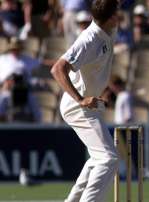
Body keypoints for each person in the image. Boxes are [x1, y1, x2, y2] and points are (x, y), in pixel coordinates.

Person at [50, 0, 120, 201]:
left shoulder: (107, 27)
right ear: (113, 17)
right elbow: (57, 68)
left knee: (98, 158)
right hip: (78, 106)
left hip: (89, 105)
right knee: (109, 159)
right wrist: (80, 99)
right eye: (118, 12)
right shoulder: (89, 39)